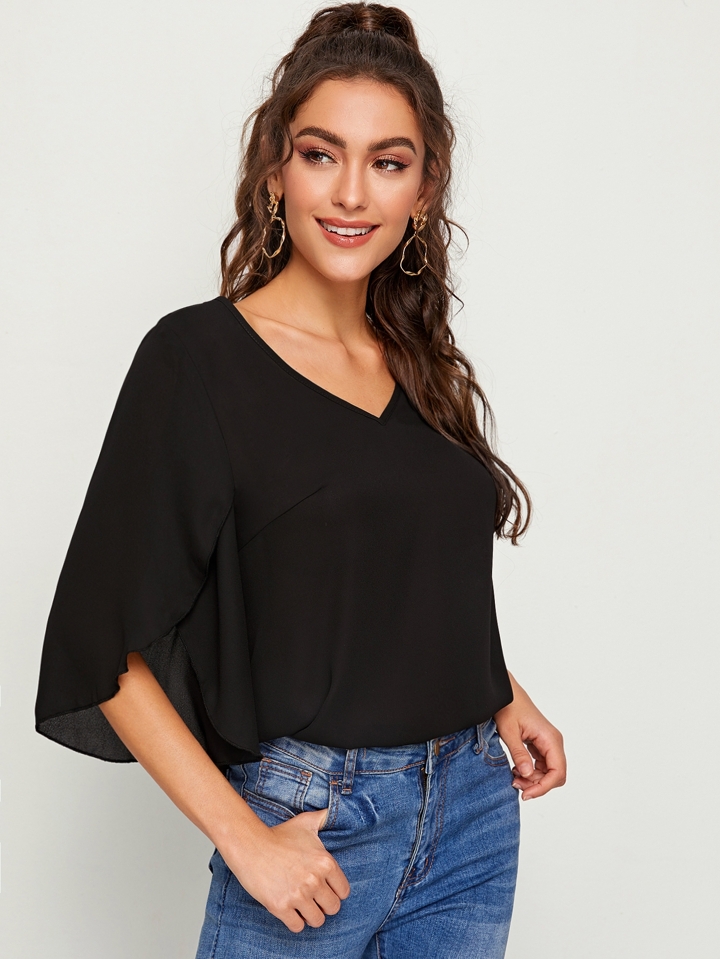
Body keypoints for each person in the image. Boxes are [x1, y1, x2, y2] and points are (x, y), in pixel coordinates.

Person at [35, 3, 566, 957]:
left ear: (425, 189)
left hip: (473, 816)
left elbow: (387, 574)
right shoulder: (197, 360)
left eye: (388, 162)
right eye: (322, 154)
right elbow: (97, 636)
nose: (352, 193)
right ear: (275, 169)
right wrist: (245, 838)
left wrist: (499, 691)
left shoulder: (416, 359)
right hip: (316, 822)